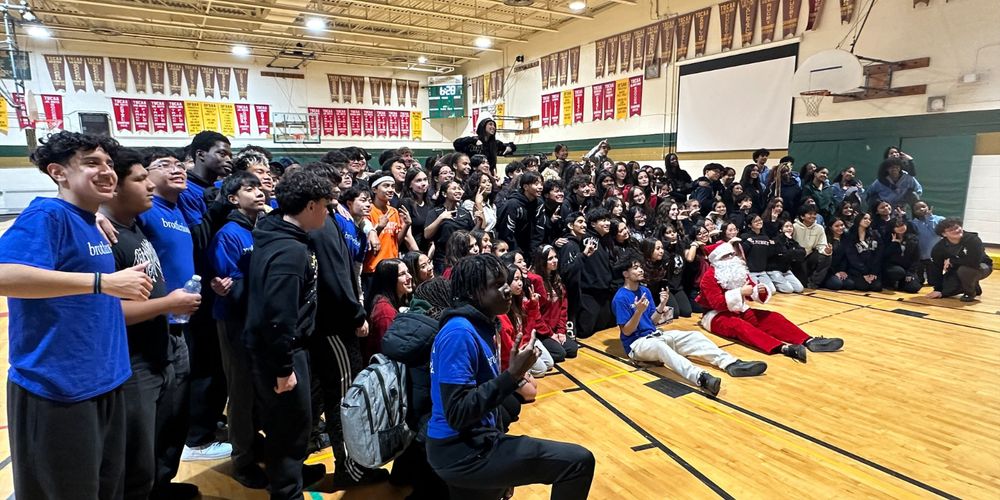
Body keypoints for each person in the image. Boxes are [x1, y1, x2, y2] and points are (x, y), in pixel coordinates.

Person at [0, 132, 156, 500]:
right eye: (91, 163)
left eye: (107, 163)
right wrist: (103, 282)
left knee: (106, 489)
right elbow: (4, 275)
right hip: (57, 389)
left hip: (105, 381)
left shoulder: (90, 220)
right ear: (59, 173)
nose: (106, 171)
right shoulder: (46, 214)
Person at [426, 254, 595, 499]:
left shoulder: (482, 325)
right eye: (497, 284)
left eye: (506, 282)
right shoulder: (459, 333)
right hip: (461, 451)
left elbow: (486, 404)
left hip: (471, 444)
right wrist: (513, 375)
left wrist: (504, 472)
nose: (507, 290)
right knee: (577, 462)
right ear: (474, 293)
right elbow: (458, 413)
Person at [103, 148, 202, 500]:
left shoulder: (135, 227)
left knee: (169, 428)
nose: (149, 186)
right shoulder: (105, 235)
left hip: (166, 340)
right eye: (141, 179)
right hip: (135, 356)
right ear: (112, 187)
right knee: (137, 447)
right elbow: (104, 310)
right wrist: (168, 304)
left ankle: (161, 488)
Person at [244, 171, 332, 499]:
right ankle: (287, 492)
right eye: (325, 205)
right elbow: (279, 317)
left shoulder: (278, 233)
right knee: (287, 428)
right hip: (280, 352)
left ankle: (292, 475)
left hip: (286, 348)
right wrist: (283, 368)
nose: (328, 212)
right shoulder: (289, 252)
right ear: (309, 206)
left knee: (296, 423)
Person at [305, 165, 386, 488]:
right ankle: (349, 468)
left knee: (326, 394)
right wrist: (356, 314)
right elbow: (336, 278)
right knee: (344, 398)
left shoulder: (328, 221)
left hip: (328, 322)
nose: (339, 194)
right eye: (334, 189)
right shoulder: (321, 226)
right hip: (334, 326)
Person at [614, 254, 767, 396]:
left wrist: (661, 306)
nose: (640, 269)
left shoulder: (644, 291)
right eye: (635, 267)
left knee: (695, 336)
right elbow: (627, 331)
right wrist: (638, 312)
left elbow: (652, 322)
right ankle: (701, 378)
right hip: (637, 345)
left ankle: (730, 363)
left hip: (655, 335)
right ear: (625, 274)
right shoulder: (620, 298)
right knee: (661, 348)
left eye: (640, 266)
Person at [207, 171, 267, 488]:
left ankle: (257, 446)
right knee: (241, 393)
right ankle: (242, 462)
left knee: (260, 392)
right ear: (233, 199)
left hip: (259, 322)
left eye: (260, 187)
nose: (258, 192)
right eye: (249, 189)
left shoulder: (264, 228)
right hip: (235, 323)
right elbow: (227, 285)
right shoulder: (229, 234)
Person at [178, 131, 233, 461]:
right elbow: (199, 239)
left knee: (216, 364)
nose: (227, 158)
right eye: (221, 153)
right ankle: (196, 438)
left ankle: (209, 420)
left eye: (229, 153)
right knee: (204, 365)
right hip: (197, 292)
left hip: (217, 291)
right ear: (200, 155)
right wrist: (222, 202)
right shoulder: (188, 190)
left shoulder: (215, 191)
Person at [695, 241, 844, 362]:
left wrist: (758, 291)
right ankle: (782, 348)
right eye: (727, 256)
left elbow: (751, 290)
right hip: (715, 315)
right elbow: (717, 303)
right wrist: (739, 292)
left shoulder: (737, 271)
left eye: (733, 254)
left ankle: (808, 340)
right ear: (718, 260)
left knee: (773, 317)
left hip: (740, 309)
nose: (732, 258)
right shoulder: (709, 277)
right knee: (740, 327)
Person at [381, 278, 453, 499]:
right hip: (427, 412)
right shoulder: (439, 331)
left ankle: (400, 476)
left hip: (400, 407)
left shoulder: (402, 321)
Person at [498, 263, 555, 377]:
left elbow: (529, 324)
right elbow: (508, 343)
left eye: (521, 279)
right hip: (516, 349)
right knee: (541, 370)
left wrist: (533, 304)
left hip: (526, 342)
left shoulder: (520, 300)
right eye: (516, 279)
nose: (520, 283)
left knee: (549, 363)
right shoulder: (503, 307)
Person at [363, 173, 412, 300]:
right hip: (373, 268)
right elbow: (367, 242)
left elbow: (396, 241)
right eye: (386, 186)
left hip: (392, 267)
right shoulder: (368, 211)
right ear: (374, 189)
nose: (390, 189)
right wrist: (379, 227)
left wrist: (406, 225)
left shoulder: (393, 211)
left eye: (392, 186)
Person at [926, 218, 993, 302]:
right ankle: (974, 285)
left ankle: (970, 293)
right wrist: (938, 289)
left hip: (982, 266)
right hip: (958, 268)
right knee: (945, 291)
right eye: (951, 230)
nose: (956, 231)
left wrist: (952, 261)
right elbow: (936, 268)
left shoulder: (973, 240)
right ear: (944, 234)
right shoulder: (939, 248)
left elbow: (974, 262)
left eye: (957, 227)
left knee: (964, 270)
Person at [530, 245, 577, 361]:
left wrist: (561, 331)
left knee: (572, 349)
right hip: (542, 332)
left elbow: (563, 309)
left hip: (555, 330)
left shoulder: (557, 279)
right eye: (550, 258)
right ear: (542, 261)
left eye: (556, 257)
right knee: (560, 354)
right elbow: (535, 315)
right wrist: (550, 334)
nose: (555, 260)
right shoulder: (536, 281)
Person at [558, 212, 598, 340]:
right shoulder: (569, 245)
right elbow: (566, 271)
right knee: (570, 339)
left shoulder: (577, 244)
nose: (584, 225)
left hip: (575, 294)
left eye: (584, 222)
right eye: (580, 222)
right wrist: (584, 255)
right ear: (570, 225)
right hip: (568, 296)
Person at [577, 208, 616, 338]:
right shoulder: (587, 238)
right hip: (589, 292)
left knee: (603, 326)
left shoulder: (604, 240)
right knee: (586, 331)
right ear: (593, 224)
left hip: (603, 292)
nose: (607, 223)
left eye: (608, 220)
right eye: (603, 220)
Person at [364, 258, 414, 360]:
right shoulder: (384, 311)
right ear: (390, 280)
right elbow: (389, 350)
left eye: (408, 272)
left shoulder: (393, 302)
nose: (409, 277)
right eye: (402, 274)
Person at [425, 180, 478, 274]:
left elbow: (471, 234)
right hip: (443, 260)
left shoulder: (464, 212)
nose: (458, 191)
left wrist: (479, 221)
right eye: (454, 188)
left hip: (464, 258)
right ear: (444, 194)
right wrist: (441, 218)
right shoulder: (435, 212)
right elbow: (427, 234)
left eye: (459, 188)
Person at [496, 170, 545, 256]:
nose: (540, 187)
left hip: (532, 249)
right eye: (536, 184)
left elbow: (539, 228)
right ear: (525, 187)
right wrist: (517, 252)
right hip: (514, 250)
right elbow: (507, 232)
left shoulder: (539, 202)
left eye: (541, 184)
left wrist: (533, 252)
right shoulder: (512, 204)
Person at [792, 205, 832, 289]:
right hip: (796, 258)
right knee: (801, 284)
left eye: (815, 214)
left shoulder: (819, 228)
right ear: (802, 216)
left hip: (809, 256)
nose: (813, 216)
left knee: (826, 257)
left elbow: (821, 245)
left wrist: (826, 251)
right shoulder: (794, 227)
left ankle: (813, 282)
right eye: (810, 214)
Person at [844, 213, 884, 292]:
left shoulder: (875, 234)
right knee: (863, 287)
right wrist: (864, 272)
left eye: (869, 219)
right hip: (858, 269)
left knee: (877, 287)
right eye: (865, 218)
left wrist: (873, 271)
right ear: (859, 220)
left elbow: (879, 253)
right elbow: (852, 257)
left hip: (873, 269)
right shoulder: (851, 236)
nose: (868, 221)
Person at [883, 218, 923, 293]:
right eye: (897, 227)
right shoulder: (887, 238)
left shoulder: (913, 238)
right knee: (898, 272)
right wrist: (894, 244)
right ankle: (889, 283)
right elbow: (885, 255)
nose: (901, 228)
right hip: (892, 267)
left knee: (914, 288)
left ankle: (902, 283)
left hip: (907, 267)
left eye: (902, 225)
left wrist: (911, 272)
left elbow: (917, 257)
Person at [741, 214, 777, 295]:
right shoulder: (745, 236)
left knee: (772, 291)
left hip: (762, 271)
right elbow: (742, 252)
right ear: (750, 225)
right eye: (755, 221)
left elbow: (769, 254)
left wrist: (772, 246)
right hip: (750, 272)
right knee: (754, 292)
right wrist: (747, 243)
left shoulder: (765, 237)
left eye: (760, 220)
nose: (759, 222)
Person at [910, 201, 944, 285]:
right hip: (920, 257)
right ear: (914, 212)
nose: (921, 209)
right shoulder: (913, 223)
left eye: (923, 206)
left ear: (928, 207)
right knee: (919, 281)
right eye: (917, 208)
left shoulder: (940, 219)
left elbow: (937, 232)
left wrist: (929, 217)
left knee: (933, 282)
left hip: (934, 257)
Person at [400, 167, 433, 253]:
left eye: (425, 180)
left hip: (426, 253)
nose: (423, 183)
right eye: (418, 181)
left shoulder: (429, 204)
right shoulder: (405, 203)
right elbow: (407, 236)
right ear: (410, 184)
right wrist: (419, 255)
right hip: (410, 254)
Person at [768, 220, 806, 294]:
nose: (789, 228)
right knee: (788, 290)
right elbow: (782, 254)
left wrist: (791, 247)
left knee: (799, 288)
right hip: (774, 269)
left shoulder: (792, 241)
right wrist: (792, 252)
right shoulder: (775, 240)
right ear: (780, 229)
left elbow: (802, 252)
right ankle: (771, 280)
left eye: (791, 226)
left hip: (785, 270)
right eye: (786, 226)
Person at [820, 218, 855, 291]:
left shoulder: (846, 238)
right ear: (830, 227)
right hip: (829, 270)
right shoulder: (826, 239)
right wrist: (835, 272)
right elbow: (827, 259)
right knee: (837, 284)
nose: (840, 228)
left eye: (842, 225)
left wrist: (842, 270)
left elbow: (846, 257)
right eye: (837, 226)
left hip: (841, 268)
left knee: (850, 284)